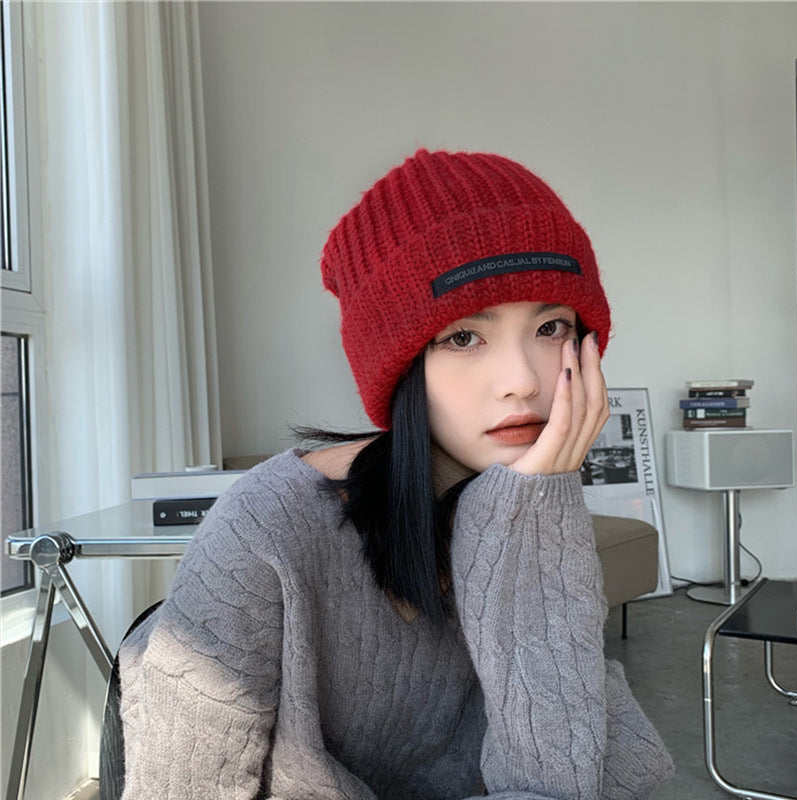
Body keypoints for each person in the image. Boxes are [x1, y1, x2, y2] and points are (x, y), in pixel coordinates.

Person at [117, 148, 674, 800]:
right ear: (401, 367)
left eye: (550, 327)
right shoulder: (266, 530)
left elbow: (583, 774)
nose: (523, 381)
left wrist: (525, 521)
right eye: (463, 337)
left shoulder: (538, 503)